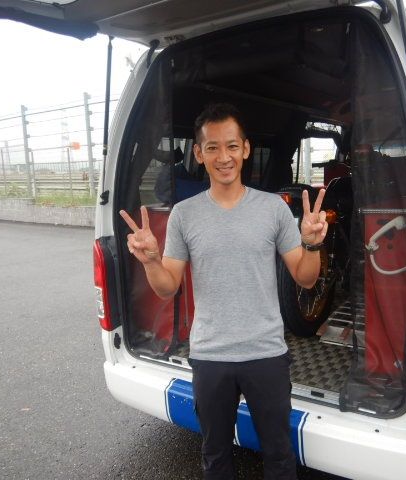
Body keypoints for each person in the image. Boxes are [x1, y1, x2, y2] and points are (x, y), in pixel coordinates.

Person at [119, 103, 327, 480]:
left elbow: (306, 278)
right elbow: (167, 287)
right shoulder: (184, 214)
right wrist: (150, 260)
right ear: (199, 154)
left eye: (231, 146)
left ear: (245, 149)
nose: (223, 157)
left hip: (266, 352)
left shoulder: (273, 209)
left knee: (279, 455)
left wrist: (312, 244)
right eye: (212, 147)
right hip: (210, 355)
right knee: (215, 456)